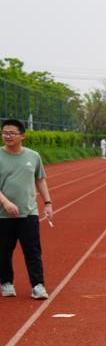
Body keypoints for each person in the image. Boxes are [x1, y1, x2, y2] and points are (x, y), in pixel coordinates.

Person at [0, 119, 53, 300]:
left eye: (12, 133)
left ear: (22, 135)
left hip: (29, 212)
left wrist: (48, 203)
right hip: (3, 215)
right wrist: (5, 202)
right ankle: (6, 283)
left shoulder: (33, 156)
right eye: (5, 132)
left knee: (33, 251)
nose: (8, 136)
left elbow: (40, 179)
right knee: (4, 251)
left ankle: (38, 285)